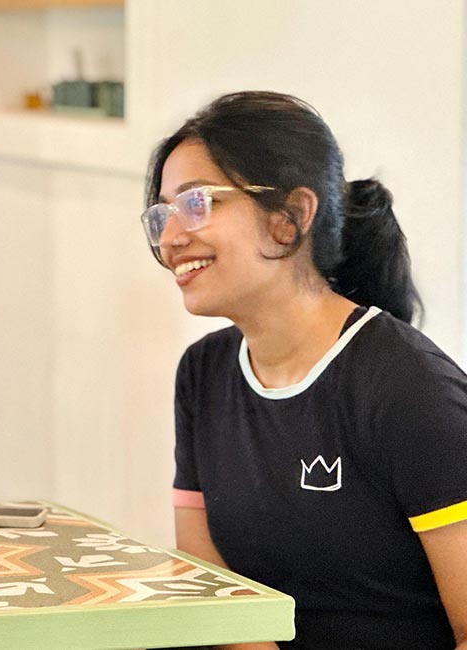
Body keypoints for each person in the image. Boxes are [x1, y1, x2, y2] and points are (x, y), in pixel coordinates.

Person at [144, 91, 467, 649]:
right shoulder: (204, 372)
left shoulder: (410, 390)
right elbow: (208, 580)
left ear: (290, 216)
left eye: (197, 203)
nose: (172, 237)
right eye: (163, 213)